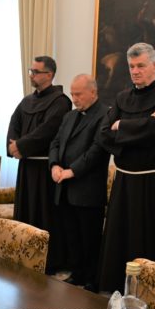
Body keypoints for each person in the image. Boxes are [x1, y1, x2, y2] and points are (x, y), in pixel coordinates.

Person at [98, 42, 155, 293]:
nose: (135, 71)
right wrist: (142, 128)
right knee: (121, 239)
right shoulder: (122, 97)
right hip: (125, 182)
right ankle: (118, 289)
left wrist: (122, 126)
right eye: (131, 66)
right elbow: (104, 134)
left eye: (141, 66)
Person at [7, 55, 72, 272]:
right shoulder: (27, 100)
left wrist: (21, 146)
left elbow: (48, 131)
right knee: (25, 212)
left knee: (44, 215)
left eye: (35, 72)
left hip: (45, 169)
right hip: (26, 166)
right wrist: (13, 146)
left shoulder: (61, 101)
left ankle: (46, 262)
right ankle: (23, 257)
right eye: (31, 71)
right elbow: (14, 123)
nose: (31, 75)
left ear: (49, 74)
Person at [47, 74, 110, 290]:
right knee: (71, 235)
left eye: (78, 94)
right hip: (64, 187)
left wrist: (72, 171)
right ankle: (77, 274)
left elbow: (97, 150)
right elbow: (55, 142)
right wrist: (54, 165)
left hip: (88, 189)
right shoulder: (69, 116)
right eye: (72, 94)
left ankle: (92, 279)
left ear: (93, 92)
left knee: (89, 238)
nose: (74, 99)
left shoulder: (105, 114)